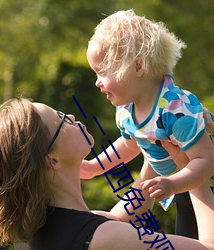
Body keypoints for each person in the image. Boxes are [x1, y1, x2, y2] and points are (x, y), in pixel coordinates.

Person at [0, 98, 214, 250]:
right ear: (52, 160)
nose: (70, 116)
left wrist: (155, 137)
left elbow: (121, 218)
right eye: (61, 120)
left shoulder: (44, 232)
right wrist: (190, 165)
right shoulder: (102, 238)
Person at [84, 9, 214, 239]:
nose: (96, 83)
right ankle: (112, 221)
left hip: (203, 186)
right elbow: (130, 144)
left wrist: (173, 184)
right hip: (183, 188)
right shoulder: (126, 110)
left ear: (137, 67)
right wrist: (94, 167)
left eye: (102, 72)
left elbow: (206, 160)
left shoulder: (175, 109)